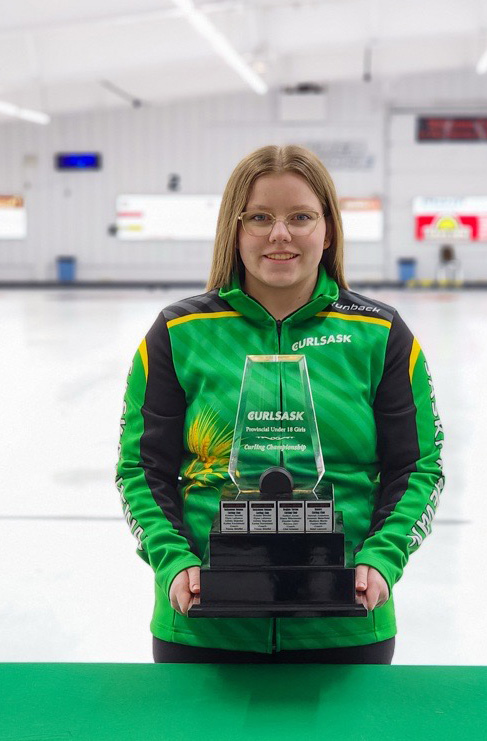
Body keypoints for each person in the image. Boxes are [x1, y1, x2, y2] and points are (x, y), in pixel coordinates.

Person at [116, 145, 445, 665]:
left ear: (328, 229)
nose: (280, 234)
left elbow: (419, 466)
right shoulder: (178, 334)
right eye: (260, 218)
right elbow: (142, 468)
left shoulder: (380, 335)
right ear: (234, 228)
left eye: (300, 217)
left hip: (344, 626)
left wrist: (380, 562)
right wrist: (173, 561)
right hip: (204, 627)